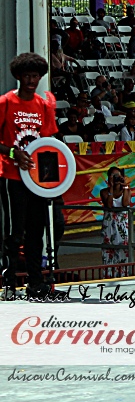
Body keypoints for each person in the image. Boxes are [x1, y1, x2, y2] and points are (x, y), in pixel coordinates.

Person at [0, 52, 66, 301]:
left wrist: (54, 179)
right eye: (26, 75)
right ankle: (8, 283)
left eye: (35, 76)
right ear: (18, 77)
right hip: (11, 176)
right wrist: (12, 153)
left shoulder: (44, 104)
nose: (31, 80)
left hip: (38, 180)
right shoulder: (5, 102)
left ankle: (36, 283)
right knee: (14, 232)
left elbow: (49, 142)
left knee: (37, 230)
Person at [99, 166, 131, 278]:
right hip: (109, 223)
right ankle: (108, 276)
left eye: (117, 176)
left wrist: (125, 186)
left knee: (123, 249)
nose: (116, 178)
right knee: (108, 250)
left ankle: (123, 275)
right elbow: (109, 205)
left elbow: (125, 203)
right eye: (113, 176)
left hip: (122, 224)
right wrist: (112, 188)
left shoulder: (126, 190)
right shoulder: (104, 192)